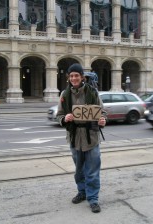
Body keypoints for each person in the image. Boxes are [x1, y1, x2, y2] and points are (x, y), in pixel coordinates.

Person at [56, 63, 106, 213]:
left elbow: (102, 112)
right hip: (74, 138)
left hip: (91, 137)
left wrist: (103, 120)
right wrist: (65, 118)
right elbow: (59, 116)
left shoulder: (93, 92)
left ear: (82, 77)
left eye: (76, 75)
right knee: (79, 171)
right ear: (68, 78)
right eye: (71, 76)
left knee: (92, 171)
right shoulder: (64, 95)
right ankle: (82, 192)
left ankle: (93, 199)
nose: (74, 78)